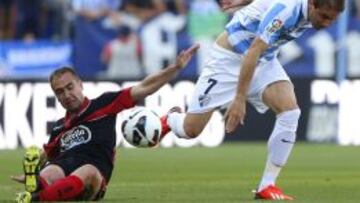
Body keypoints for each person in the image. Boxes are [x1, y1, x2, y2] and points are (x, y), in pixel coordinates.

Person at [160, 0, 344, 200]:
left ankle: (267, 185)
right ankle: (171, 119)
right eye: (324, 17)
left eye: (332, 20)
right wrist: (239, 99)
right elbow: (253, 51)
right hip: (229, 58)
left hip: (263, 60)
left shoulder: (307, 8)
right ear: (312, 4)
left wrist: (244, 2)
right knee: (190, 131)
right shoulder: (285, 12)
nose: (326, 23)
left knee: (291, 112)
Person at [12, 44, 199, 202]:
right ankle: (37, 186)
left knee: (88, 171)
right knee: (51, 171)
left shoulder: (105, 104)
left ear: (80, 84)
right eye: (60, 92)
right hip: (64, 168)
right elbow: (47, 154)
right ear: (56, 96)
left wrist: (175, 68)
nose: (67, 95)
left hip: (93, 174)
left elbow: (144, 87)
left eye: (70, 87)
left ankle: (35, 197)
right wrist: (33, 171)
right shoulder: (59, 127)